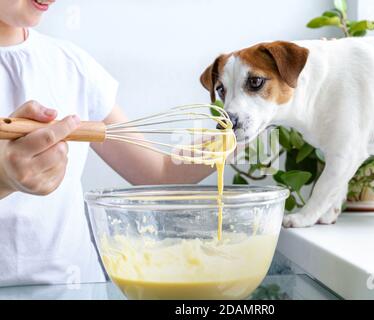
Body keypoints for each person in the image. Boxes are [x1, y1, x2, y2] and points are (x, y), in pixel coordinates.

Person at [0, 0, 214, 286]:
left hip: (76, 290)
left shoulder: (71, 66)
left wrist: (249, 130)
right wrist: (4, 179)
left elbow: (159, 172)